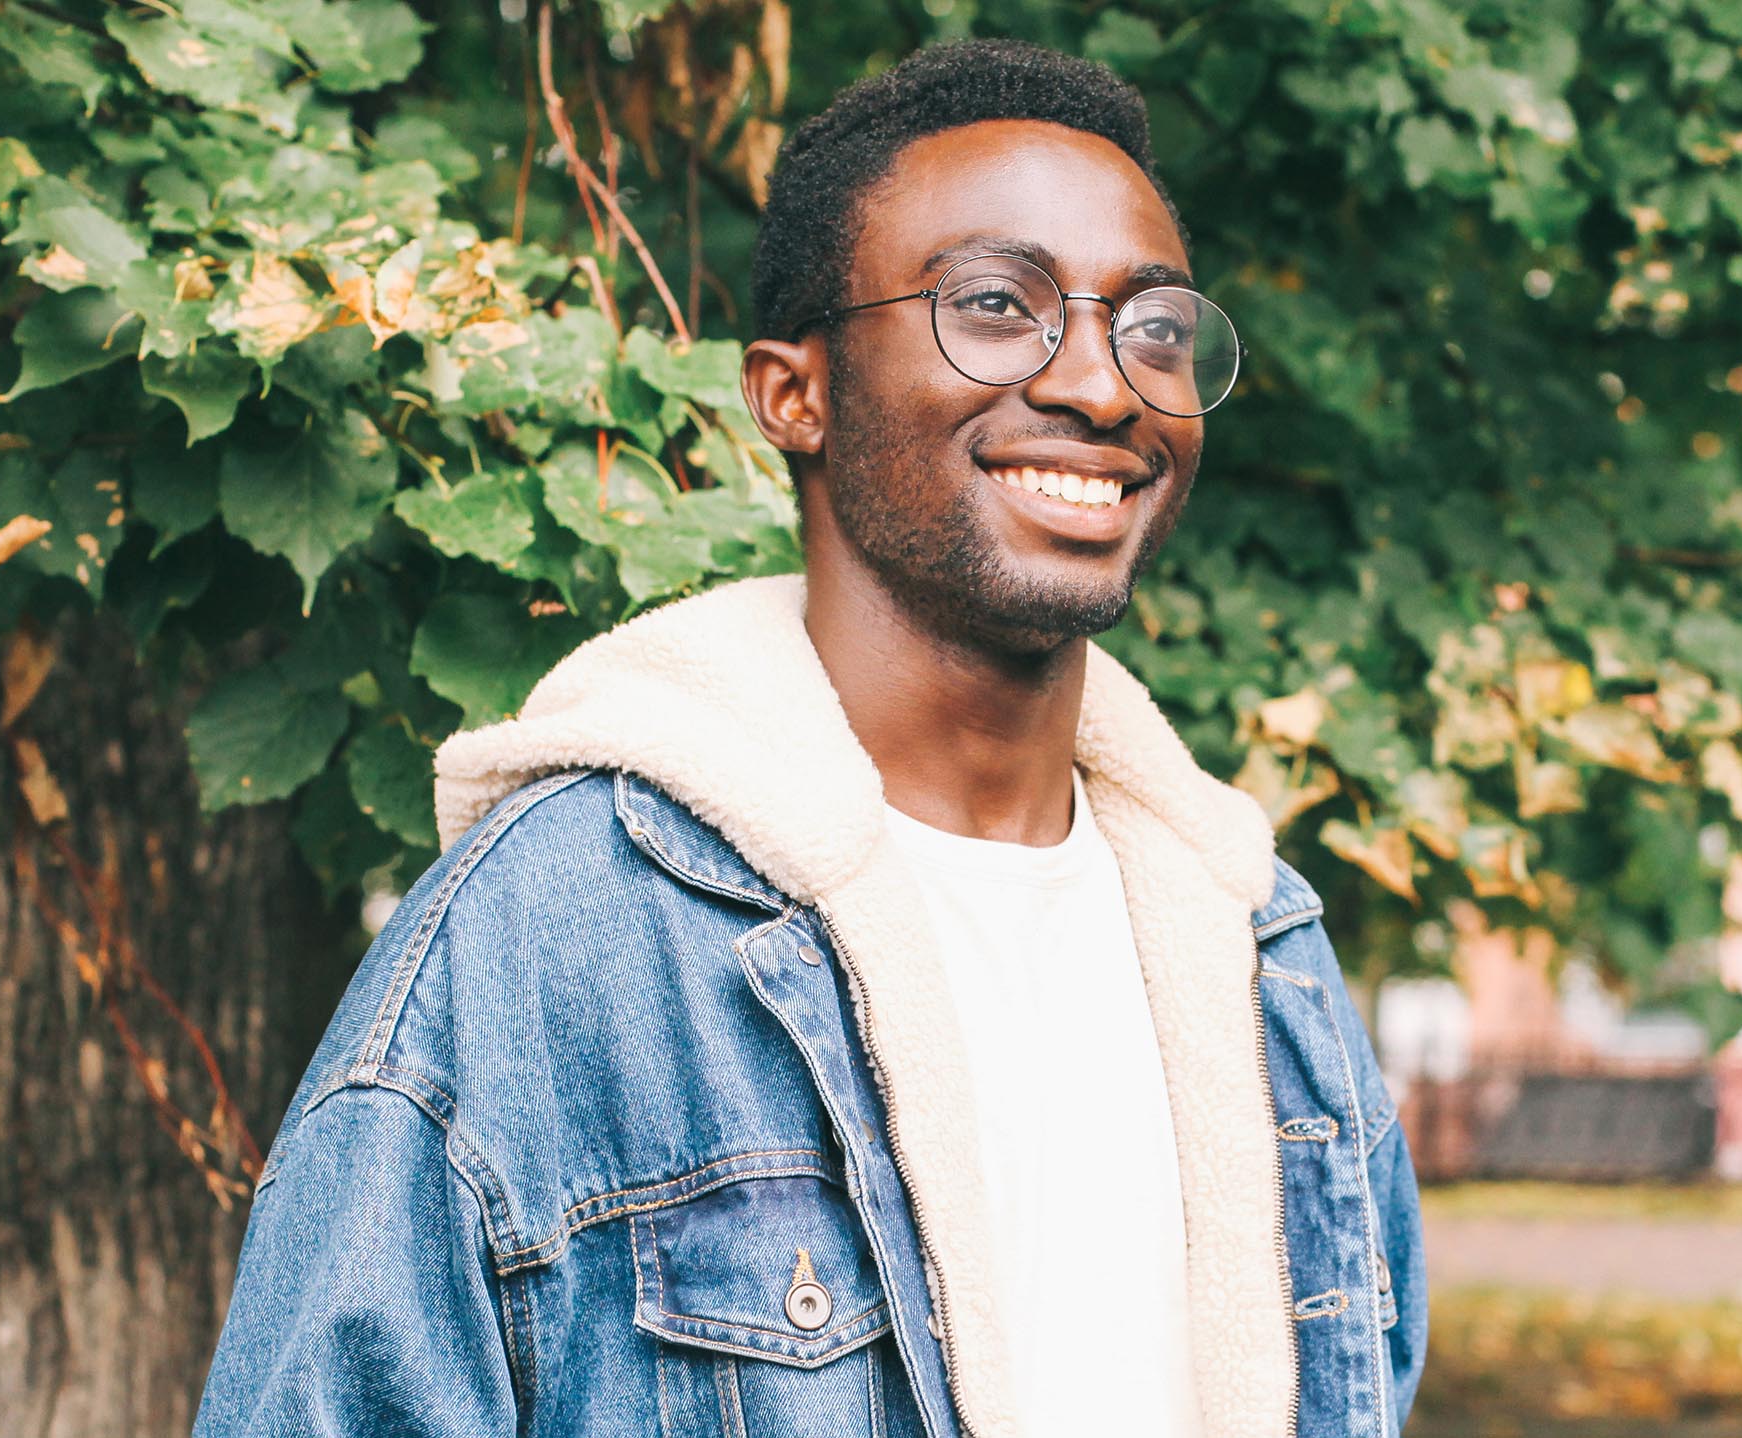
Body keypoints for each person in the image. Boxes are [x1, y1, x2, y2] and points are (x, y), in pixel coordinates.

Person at [192, 37, 1425, 1438]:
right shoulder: (551, 942)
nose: (1103, 385)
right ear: (794, 393)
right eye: (997, 305)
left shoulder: (1261, 953)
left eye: (1151, 326)